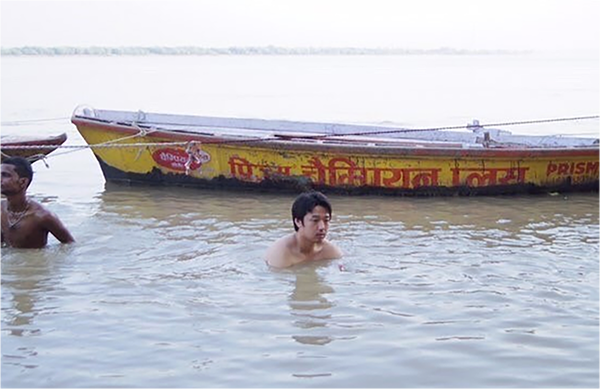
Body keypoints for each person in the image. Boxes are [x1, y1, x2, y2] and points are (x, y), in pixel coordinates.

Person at [0, 156, 74, 248]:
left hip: (32, 261)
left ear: (22, 182)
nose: (0, 179)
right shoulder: (1, 210)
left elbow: (70, 244)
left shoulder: (42, 216)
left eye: (5, 175)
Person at [265, 191, 342, 268]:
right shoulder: (281, 254)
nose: (322, 227)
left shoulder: (329, 251)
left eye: (326, 220)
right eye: (315, 220)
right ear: (298, 222)